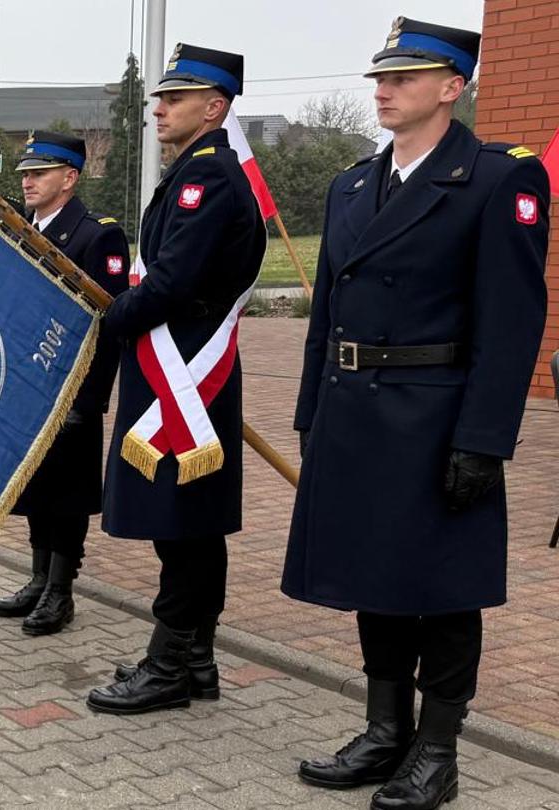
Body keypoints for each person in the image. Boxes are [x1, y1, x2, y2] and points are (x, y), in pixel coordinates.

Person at [283, 18, 548, 809]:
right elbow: (325, 312)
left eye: (404, 77)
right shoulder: (352, 184)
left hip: (435, 417)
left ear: (451, 86)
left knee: (442, 587)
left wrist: (484, 439)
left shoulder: (497, 179)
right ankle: (383, 730)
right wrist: (309, 413)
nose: (384, 89)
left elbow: (512, 324)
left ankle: (438, 750)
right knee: (376, 580)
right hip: (353, 412)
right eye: (380, 76)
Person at [85, 43, 265, 716]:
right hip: (178, 373)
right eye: (160, 97)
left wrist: (106, 318)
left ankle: (170, 667)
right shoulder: (197, 169)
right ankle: (194, 661)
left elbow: (171, 281)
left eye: (175, 98)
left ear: (215, 107)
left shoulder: (209, 177)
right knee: (188, 526)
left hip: (188, 377)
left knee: (185, 523)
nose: (158, 108)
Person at [0, 132, 130, 636]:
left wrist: (89, 399)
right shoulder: (21, 227)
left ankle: (61, 590)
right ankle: (37, 578)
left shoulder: (96, 236)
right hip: (27, 384)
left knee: (66, 493)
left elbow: (107, 323)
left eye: (39, 173)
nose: (27, 180)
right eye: (25, 172)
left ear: (69, 178)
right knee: (34, 485)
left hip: (71, 390)